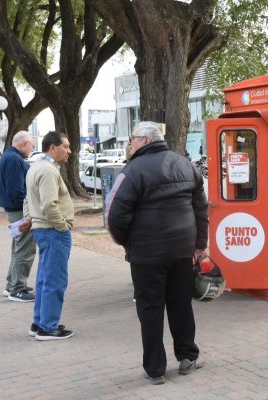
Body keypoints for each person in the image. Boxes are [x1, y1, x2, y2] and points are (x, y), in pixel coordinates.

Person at [105, 121, 209, 385]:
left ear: (146, 140)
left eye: (133, 139)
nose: (130, 144)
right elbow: (201, 208)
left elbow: (114, 215)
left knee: (150, 309)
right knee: (181, 305)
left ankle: (155, 370)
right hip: (182, 251)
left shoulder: (133, 171)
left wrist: (127, 242)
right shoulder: (186, 164)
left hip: (147, 254)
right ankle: (188, 357)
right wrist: (199, 244)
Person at [23, 131, 74, 341]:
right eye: (66, 146)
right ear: (53, 147)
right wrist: (62, 226)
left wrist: (30, 219)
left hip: (43, 229)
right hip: (53, 231)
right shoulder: (48, 170)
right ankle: (48, 327)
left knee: (45, 279)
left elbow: (28, 200)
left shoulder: (35, 167)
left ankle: (40, 323)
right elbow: (49, 205)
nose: (69, 151)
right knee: (55, 280)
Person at [0, 131, 36, 302]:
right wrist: (28, 207)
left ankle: (12, 285)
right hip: (19, 209)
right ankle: (17, 289)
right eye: (32, 145)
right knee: (24, 249)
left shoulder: (9, 156)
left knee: (18, 248)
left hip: (14, 209)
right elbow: (16, 190)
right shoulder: (14, 159)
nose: (32, 149)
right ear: (24, 143)